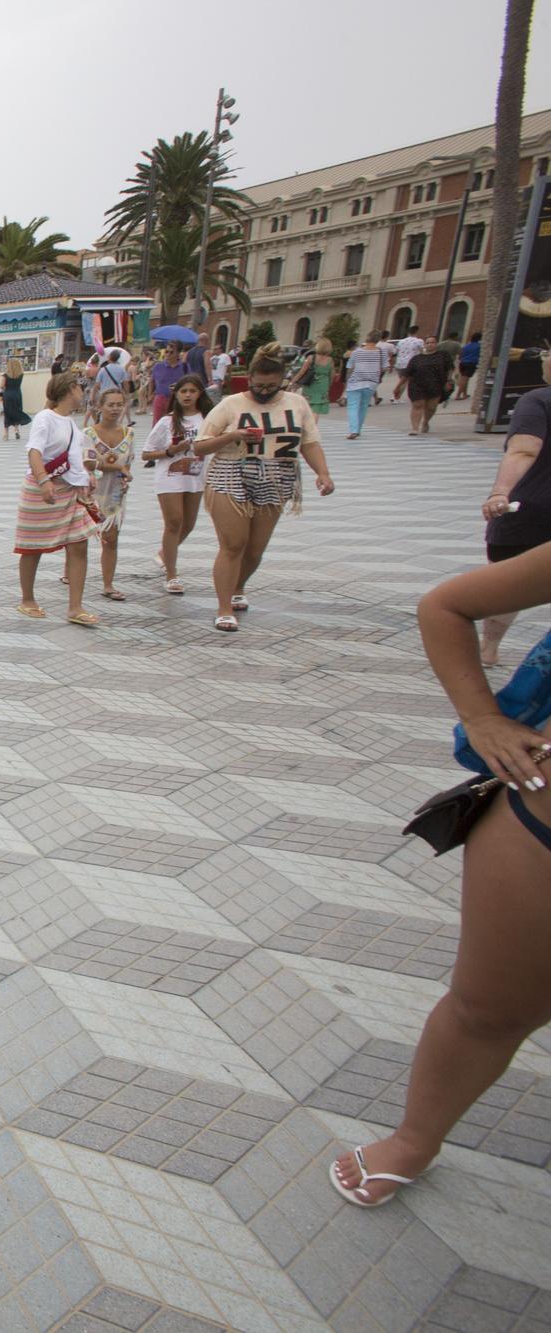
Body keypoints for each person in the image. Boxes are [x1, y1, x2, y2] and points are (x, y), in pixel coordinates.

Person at [328, 541, 551, 1209]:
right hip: (538, 835)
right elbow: (446, 605)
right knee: (486, 1009)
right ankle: (417, 1136)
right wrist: (482, 717)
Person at [194, 354, 336, 632]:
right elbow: (200, 446)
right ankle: (224, 608)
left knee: (255, 548)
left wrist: (323, 473)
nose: (264, 391)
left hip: (277, 475)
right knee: (233, 544)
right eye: (258, 386)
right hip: (231, 473)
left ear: (282, 381)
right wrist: (233, 436)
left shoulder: (297, 404)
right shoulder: (231, 404)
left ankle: (238, 586)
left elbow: (309, 442)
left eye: (271, 386)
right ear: (249, 380)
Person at [15, 371, 101, 624]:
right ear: (69, 389)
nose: (83, 393)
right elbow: (34, 451)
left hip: (68, 492)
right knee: (32, 548)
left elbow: (74, 458)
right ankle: (27, 599)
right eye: (80, 388)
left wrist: (86, 476)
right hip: (42, 490)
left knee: (80, 544)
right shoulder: (46, 418)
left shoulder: (71, 423)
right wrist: (43, 481)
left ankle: (75, 608)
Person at [478, 385, 551, 667]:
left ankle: (488, 649)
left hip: (532, 509)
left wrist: (500, 492)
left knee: (507, 584)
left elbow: (524, 450)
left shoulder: (539, 399)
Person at [142, 375, 212, 596]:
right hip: (170, 476)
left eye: (192, 391)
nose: (188, 395)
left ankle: (164, 554)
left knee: (188, 524)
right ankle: (171, 574)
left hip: (195, 476)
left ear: (200, 393)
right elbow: (146, 453)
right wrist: (170, 451)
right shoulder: (167, 422)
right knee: (174, 522)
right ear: (177, 395)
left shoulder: (208, 420)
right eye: (184, 391)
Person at [83, 386, 135, 602]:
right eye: (110, 405)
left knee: (111, 539)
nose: (115, 409)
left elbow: (129, 462)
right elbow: (89, 463)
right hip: (90, 492)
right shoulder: (88, 433)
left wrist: (125, 475)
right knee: (80, 538)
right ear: (100, 407)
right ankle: (71, 571)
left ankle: (108, 584)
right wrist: (117, 469)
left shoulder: (128, 434)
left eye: (119, 404)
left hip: (114, 493)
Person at [343, 331, 389, 439]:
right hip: (371, 382)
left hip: (355, 382)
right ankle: (358, 429)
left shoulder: (356, 352)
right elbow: (385, 367)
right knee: (363, 407)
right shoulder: (382, 352)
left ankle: (353, 430)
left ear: (367, 338)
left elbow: (349, 367)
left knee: (353, 407)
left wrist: (346, 382)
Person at [406, 337, 452, 434]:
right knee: (418, 405)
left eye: (433, 342)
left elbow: (450, 368)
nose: (430, 344)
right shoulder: (416, 358)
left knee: (431, 407)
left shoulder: (443, 355)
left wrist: (448, 381)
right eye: (428, 343)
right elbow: (408, 373)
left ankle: (425, 422)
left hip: (436, 384)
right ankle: (415, 428)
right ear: (424, 344)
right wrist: (398, 387)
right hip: (417, 385)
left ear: (437, 344)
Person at [289, 337, 334, 420]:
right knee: (316, 410)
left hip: (310, 385)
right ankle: (313, 427)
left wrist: (292, 382)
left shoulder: (311, 358)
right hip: (323, 386)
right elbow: (331, 375)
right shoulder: (330, 360)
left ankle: (306, 425)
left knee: (307, 406)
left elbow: (301, 372)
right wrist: (328, 387)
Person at [149, 344, 188, 422]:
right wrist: (150, 395)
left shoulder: (184, 367)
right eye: (166, 351)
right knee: (157, 423)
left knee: (176, 422)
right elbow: (152, 381)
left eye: (171, 352)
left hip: (177, 400)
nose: (168, 354)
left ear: (178, 353)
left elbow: (189, 382)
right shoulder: (158, 366)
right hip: (160, 398)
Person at [0, 358, 30, 440]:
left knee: (7, 413)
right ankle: (16, 431)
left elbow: (1, 386)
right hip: (17, 394)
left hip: (8, 395)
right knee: (16, 411)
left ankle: (5, 434)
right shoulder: (21, 375)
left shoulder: (5, 375)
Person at [392, 324, 421, 401]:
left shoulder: (401, 341)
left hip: (399, 363)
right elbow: (422, 352)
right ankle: (396, 397)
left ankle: (396, 397)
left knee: (402, 380)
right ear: (417, 331)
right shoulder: (418, 341)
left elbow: (395, 352)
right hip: (409, 363)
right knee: (404, 381)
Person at [458, 332, 483, 406]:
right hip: (471, 363)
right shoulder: (479, 346)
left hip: (463, 363)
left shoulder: (466, 345)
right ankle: (458, 395)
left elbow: (460, 355)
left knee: (464, 378)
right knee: (464, 379)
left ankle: (464, 394)